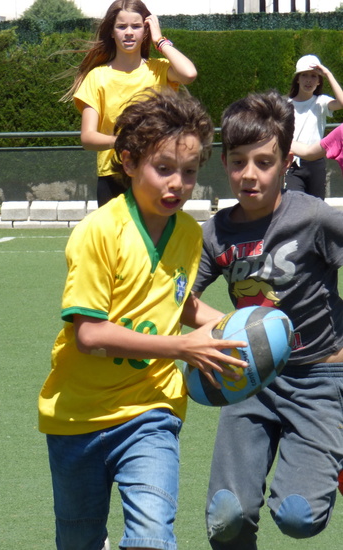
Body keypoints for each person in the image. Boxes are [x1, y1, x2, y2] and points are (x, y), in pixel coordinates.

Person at [38, 90, 249, 550]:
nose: (178, 184)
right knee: (78, 541)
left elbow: (177, 301)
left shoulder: (192, 234)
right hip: (76, 416)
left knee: (153, 536)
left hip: (151, 410)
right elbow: (90, 335)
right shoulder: (99, 233)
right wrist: (182, 347)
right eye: (164, 169)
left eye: (190, 172)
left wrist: (238, 326)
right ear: (128, 162)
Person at [192, 91, 343, 550]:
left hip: (320, 378)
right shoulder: (215, 232)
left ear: (285, 161)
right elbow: (181, 302)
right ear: (224, 162)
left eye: (264, 161)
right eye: (239, 162)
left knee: (298, 516)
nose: (250, 175)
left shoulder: (314, 217)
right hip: (249, 378)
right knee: (227, 516)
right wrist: (246, 330)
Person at [62, 0, 197, 207]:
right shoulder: (97, 77)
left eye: (136, 26)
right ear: (111, 32)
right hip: (113, 177)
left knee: (153, 240)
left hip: (157, 174)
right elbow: (88, 138)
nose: (128, 33)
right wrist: (125, 142)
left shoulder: (159, 69)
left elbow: (189, 74)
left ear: (146, 31)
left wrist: (160, 40)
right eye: (121, 26)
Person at [285, 54, 343, 199]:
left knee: (317, 211)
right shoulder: (285, 104)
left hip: (316, 164)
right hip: (293, 163)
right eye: (304, 75)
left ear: (319, 81)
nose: (309, 80)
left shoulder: (321, 102)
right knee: (294, 207)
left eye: (314, 76)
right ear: (297, 79)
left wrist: (328, 74)